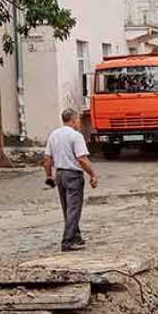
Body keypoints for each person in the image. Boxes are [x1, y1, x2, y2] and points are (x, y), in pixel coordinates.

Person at [44, 107, 98, 252]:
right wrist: (92, 174)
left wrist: (49, 176)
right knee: (74, 209)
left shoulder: (53, 135)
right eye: (78, 120)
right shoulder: (76, 136)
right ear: (74, 120)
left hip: (60, 174)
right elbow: (82, 159)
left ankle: (75, 236)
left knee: (67, 208)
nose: (79, 123)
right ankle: (67, 241)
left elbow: (47, 159)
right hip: (73, 175)